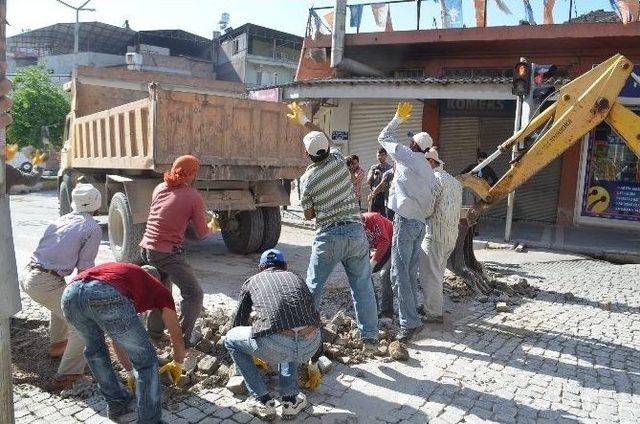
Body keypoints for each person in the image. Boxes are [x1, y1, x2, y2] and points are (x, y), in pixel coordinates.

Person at [286, 102, 379, 349]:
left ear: (307, 155)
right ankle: (369, 337)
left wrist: (321, 203)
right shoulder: (338, 160)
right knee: (362, 287)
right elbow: (323, 136)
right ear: (328, 148)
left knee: (313, 288)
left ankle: (303, 337)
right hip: (354, 232)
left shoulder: (307, 179)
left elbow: (307, 214)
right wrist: (305, 120)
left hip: (327, 235)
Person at [61, 262, 186, 423]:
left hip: (70, 295)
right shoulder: (159, 289)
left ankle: (116, 401)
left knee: (95, 351)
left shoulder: (124, 277)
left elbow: (116, 338)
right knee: (146, 361)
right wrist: (178, 363)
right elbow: (177, 337)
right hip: (103, 292)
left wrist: (129, 372)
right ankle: (150, 420)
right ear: (157, 281)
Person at [20, 183, 102, 390]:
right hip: (45, 281)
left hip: (30, 274)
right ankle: (68, 376)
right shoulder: (92, 227)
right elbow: (85, 268)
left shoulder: (61, 220)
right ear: (97, 202)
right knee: (84, 325)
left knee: (64, 302)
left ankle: (58, 345)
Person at [225, 249, 321, 421]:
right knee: (291, 325)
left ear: (260, 268)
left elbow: (238, 322)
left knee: (231, 339)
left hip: (276, 345)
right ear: (285, 266)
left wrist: (252, 350)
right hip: (311, 344)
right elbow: (312, 316)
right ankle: (290, 401)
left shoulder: (252, 281)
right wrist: (314, 362)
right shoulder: (297, 278)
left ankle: (262, 401)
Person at [378, 102, 439, 342]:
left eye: (411, 141)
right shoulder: (427, 169)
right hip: (419, 224)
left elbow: (384, 136)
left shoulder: (407, 157)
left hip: (405, 223)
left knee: (399, 274)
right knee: (409, 273)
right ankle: (412, 317)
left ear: (415, 146)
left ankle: (409, 323)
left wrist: (396, 119)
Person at [140, 154, 211, 346]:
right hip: (166, 252)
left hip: (147, 247)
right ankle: (181, 339)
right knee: (194, 294)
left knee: (162, 291)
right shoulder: (192, 196)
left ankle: (154, 333)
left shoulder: (160, 187)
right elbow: (202, 234)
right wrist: (213, 226)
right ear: (193, 174)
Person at [419, 149, 462, 323]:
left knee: (431, 276)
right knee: (438, 274)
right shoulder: (454, 181)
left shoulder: (434, 180)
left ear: (430, 162)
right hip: (451, 236)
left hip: (435, 235)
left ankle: (434, 314)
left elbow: (428, 210)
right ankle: (431, 307)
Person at [362, 212, 394, 319]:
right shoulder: (353, 228)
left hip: (393, 246)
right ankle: (373, 308)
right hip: (381, 249)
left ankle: (387, 310)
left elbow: (384, 242)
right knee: (364, 273)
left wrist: (373, 263)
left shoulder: (373, 218)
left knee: (384, 274)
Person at [367, 148, 393, 215]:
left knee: (384, 217)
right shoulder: (373, 167)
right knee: (372, 215)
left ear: (386, 156)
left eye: (382, 155)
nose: (380, 157)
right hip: (374, 195)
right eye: (379, 155)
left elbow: (386, 184)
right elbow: (368, 182)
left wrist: (381, 175)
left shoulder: (390, 168)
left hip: (384, 195)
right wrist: (373, 172)